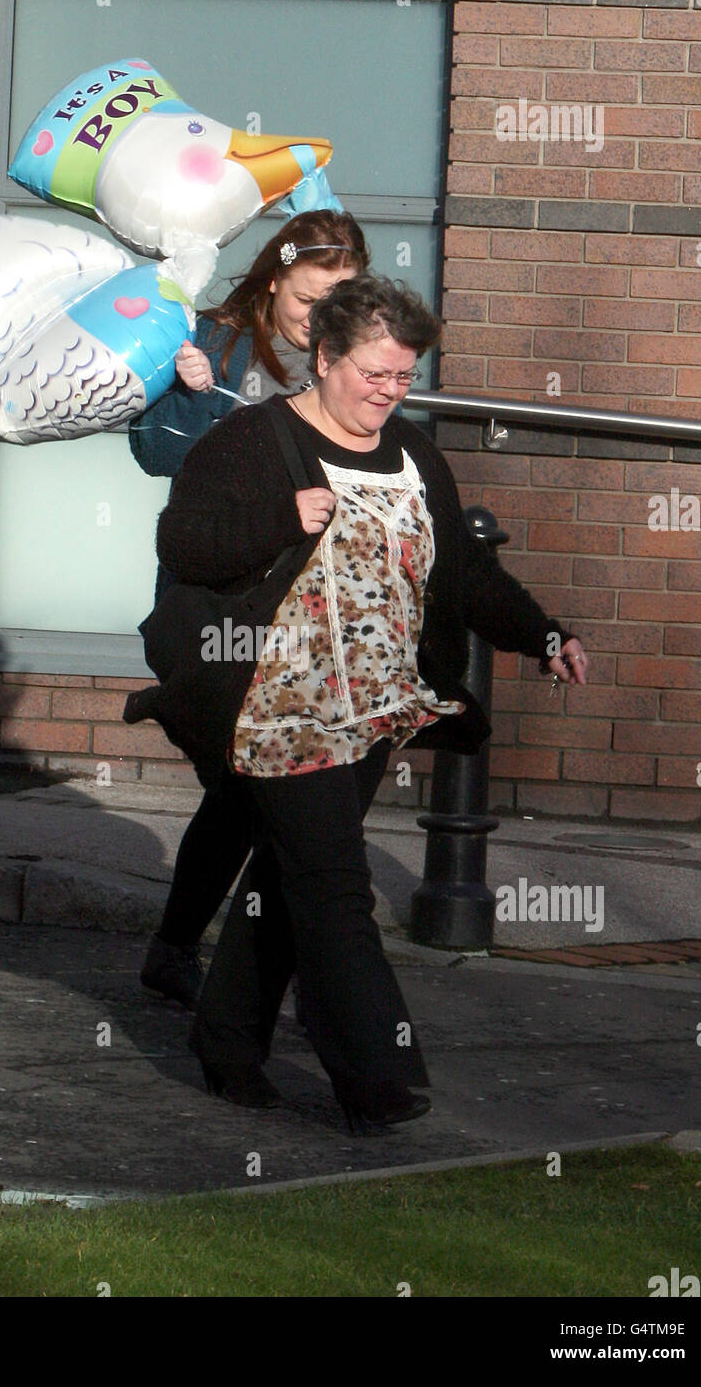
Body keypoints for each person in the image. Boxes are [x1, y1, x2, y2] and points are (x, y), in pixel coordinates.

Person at [150, 275, 589, 1131]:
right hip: (277, 710)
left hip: (375, 709)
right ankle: (377, 1075)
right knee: (335, 886)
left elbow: (461, 574)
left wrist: (540, 635)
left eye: (402, 378)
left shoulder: (414, 452)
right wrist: (281, 517)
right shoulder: (252, 441)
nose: (388, 392)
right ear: (322, 359)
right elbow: (183, 546)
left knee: (289, 877)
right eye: (373, 374)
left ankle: (229, 1044)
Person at [131, 211, 369, 1011]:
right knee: (256, 789)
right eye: (309, 301)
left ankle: (197, 964)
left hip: (303, 609)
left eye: (342, 302)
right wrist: (194, 399)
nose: (322, 321)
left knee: (250, 792)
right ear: (272, 281)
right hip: (211, 605)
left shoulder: (350, 363)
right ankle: (261, 990)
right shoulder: (214, 344)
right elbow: (156, 453)